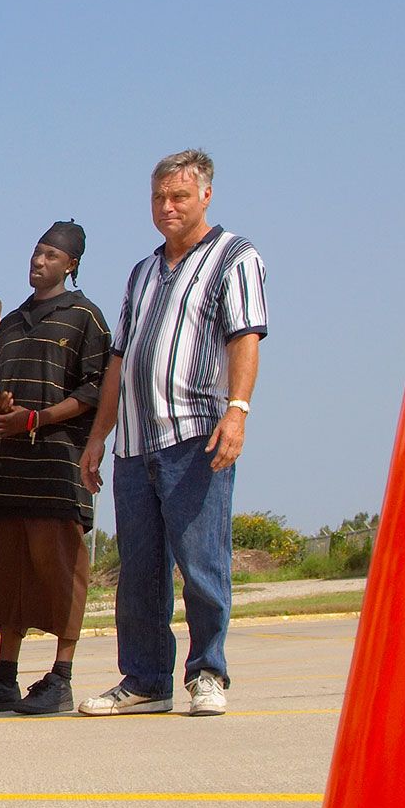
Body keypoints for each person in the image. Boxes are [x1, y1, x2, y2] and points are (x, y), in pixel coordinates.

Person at [77, 152, 268, 718]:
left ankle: (208, 672)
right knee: (139, 570)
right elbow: (119, 359)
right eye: (159, 197)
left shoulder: (234, 256)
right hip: (135, 445)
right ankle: (145, 677)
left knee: (202, 561)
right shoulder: (141, 272)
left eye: (179, 197)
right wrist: (97, 437)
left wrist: (238, 411)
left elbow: (245, 337)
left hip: (196, 436)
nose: (167, 208)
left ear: (205, 195)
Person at [0, 224, 111, 715]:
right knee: (7, 573)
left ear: (71, 264)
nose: (38, 261)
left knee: (60, 571)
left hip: (58, 470)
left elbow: (96, 391)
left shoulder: (86, 318)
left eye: (50, 255)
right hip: (7, 471)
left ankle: (60, 678)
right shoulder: (13, 322)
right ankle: (4, 678)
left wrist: (36, 418)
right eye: (35, 252)